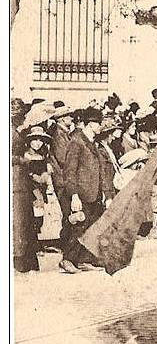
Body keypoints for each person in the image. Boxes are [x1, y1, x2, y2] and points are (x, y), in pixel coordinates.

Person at [60, 107, 107, 273]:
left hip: (93, 193)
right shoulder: (77, 142)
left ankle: (84, 259)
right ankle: (67, 259)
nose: (101, 126)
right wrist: (74, 195)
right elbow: (69, 172)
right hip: (81, 193)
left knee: (90, 227)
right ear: (91, 123)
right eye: (99, 123)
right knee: (78, 227)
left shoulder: (91, 141)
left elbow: (97, 169)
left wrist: (103, 191)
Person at [12, 101, 40, 273]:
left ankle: (23, 259)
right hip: (16, 182)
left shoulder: (15, 132)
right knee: (20, 223)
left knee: (23, 222)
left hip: (20, 182)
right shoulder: (11, 132)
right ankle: (20, 261)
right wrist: (25, 159)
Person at [48, 105, 77, 253]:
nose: (72, 118)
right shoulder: (59, 135)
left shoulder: (63, 133)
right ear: (62, 118)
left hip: (63, 178)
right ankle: (66, 244)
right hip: (62, 179)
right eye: (69, 115)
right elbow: (63, 158)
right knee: (68, 211)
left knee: (68, 212)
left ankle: (65, 242)